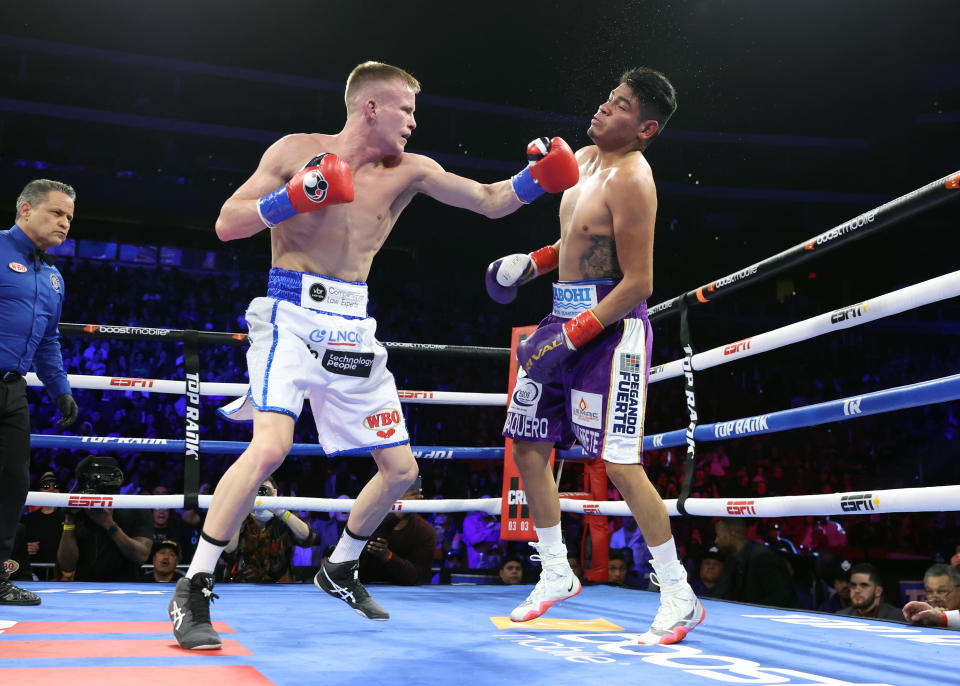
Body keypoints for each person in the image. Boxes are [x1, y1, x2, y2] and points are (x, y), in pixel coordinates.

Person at [167, 60, 579, 649]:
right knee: (270, 448)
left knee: (402, 472)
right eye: (406, 110)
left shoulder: (410, 170)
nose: (413, 122)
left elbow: (490, 200)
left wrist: (539, 178)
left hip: (353, 326)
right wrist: (293, 198)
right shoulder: (295, 151)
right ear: (370, 108)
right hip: (289, 313)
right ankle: (195, 586)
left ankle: (338, 567)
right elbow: (227, 224)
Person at [488, 67, 702, 645]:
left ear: (646, 128)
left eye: (623, 105)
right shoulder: (581, 159)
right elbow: (577, 241)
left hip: (610, 331)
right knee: (528, 444)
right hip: (563, 318)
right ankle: (556, 570)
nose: (605, 108)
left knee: (619, 463)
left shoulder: (634, 180)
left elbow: (639, 280)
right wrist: (530, 263)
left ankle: (678, 593)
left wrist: (573, 334)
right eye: (609, 97)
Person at [1, 179, 79, 605]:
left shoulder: (52, 277)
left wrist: (60, 390)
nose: (64, 223)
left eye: (69, 217)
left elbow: (48, 342)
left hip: (13, 393)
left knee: (13, 484)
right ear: (26, 210)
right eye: (56, 213)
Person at [57, 455, 153, 582]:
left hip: (126, 589)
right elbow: (67, 566)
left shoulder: (136, 507)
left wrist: (109, 524)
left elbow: (141, 555)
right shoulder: (78, 511)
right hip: (85, 588)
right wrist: (69, 520)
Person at [218, 477, 317, 583]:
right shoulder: (240, 520)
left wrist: (280, 511)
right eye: (257, 491)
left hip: (282, 587)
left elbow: (309, 538)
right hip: (244, 587)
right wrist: (241, 511)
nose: (261, 495)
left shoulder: (283, 521)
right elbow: (229, 550)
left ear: (274, 493)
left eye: (266, 491)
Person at [358, 475, 436, 586]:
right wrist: (395, 516)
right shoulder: (368, 521)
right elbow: (356, 567)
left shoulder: (425, 531)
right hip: (366, 586)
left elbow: (415, 577)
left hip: (405, 594)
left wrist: (388, 556)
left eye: (408, 491)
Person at [712, 517, 800, 609]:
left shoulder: (763, 557)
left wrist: (747, 611)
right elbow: (722, 591)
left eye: (718, 535)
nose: (716, 541)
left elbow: (782, 597)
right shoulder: (732, 559)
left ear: (731, 533)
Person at [23, 471, 66, 578]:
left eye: (55, 486)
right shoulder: (28, 519)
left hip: (62, 574)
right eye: (46, 486)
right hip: (34, 573)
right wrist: (24, 549)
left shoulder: (67, 517)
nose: (51, 489)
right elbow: (16, 545)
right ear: (39, 491)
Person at [835, 563, 904, 622]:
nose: (857, 590)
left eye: (864, 585)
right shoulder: (840, 618)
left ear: (878, 591)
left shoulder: (897, 618)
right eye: (853, 585)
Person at [902, 562, 960, 628]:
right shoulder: (925, 621)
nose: (934, 598)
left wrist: (942, 617)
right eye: (929, 591)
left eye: (942, 591)